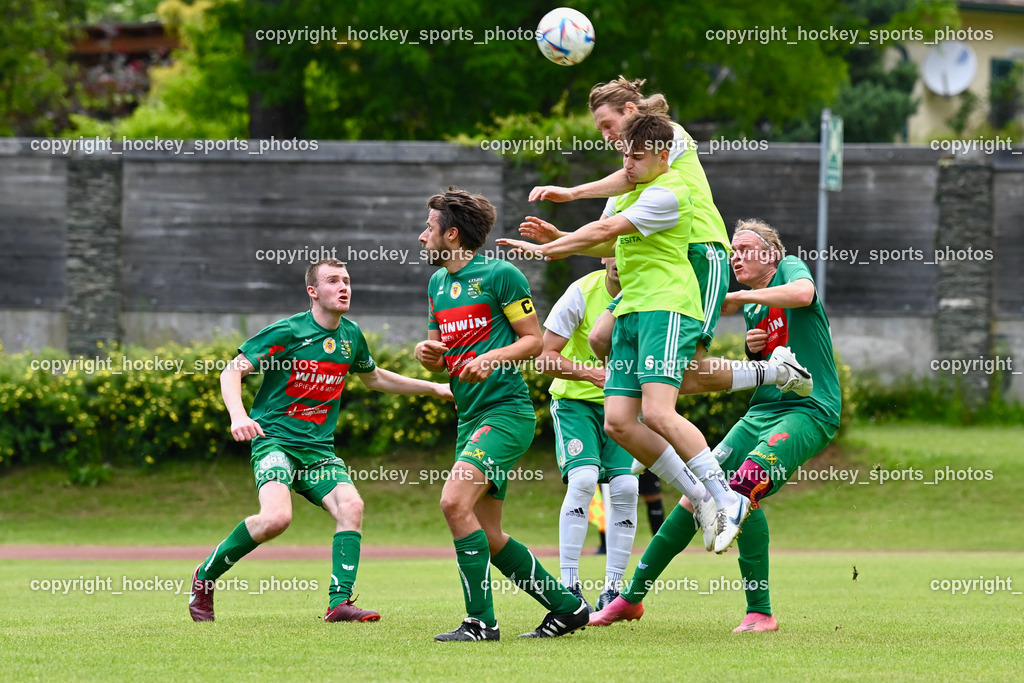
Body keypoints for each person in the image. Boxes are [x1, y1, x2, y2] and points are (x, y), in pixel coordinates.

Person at [498, 111, 750, 555]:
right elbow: (607, 241)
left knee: (658, 413)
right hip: (633, 309)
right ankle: (700, 496)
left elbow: (607, 228)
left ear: (662, 156)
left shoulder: (670, 191)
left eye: (636, 157)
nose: (627, 166)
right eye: (624, 157)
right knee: (617, 421)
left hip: (665, 308)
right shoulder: (639, 190)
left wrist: (546, 249)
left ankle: (726, 497)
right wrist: (559, 241)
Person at [589, 219, 842, 632]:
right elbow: (765, 363)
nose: (735, 257)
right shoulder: (755, 307)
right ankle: (629, 600)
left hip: (809, 410)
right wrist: (753, 348)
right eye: (732, 251)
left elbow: (803, 294)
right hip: (760, 413)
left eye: (744, 249)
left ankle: (760, 612)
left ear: (770, 254)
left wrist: (739, 296)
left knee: (743, 488)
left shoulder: (789, 268)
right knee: (697, 498)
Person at [189, 258, 453, 623]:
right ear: (312, 291)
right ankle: (205, 575)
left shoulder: (351, 336)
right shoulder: (288, 331)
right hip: (275, 442)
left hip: (318, 452)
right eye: (333, 281)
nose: (344, 287)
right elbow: (233, 370)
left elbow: (374, 378)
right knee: (276, 519)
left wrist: (435, 388)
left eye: (346, 280)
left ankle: (339, 603)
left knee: (351, 507)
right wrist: (239, 415)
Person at [413, 186, 588, 642]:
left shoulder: (501, 275)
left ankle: (480, 622)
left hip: (506, 413)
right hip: (470, 417)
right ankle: (568, 607)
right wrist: (426, 354)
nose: (422, 237)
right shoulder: (436, 285)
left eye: (429, 228)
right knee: (489, 536)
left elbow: (533, 341)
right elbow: (439, 356)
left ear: (452, 234)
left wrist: (491, 358)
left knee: (453, 503)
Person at [538, 256, 638, 611]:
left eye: (627, 249)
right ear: (602, 254)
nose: (619, 259)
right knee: (583, 480)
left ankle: (612, 591)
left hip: (623, 406)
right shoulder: (581, 292)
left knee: (627, 488)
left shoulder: (652, 293)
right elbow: (544, 357)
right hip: (575, 404)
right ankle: (569, 587)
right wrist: (591, 374)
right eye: (612, 250)